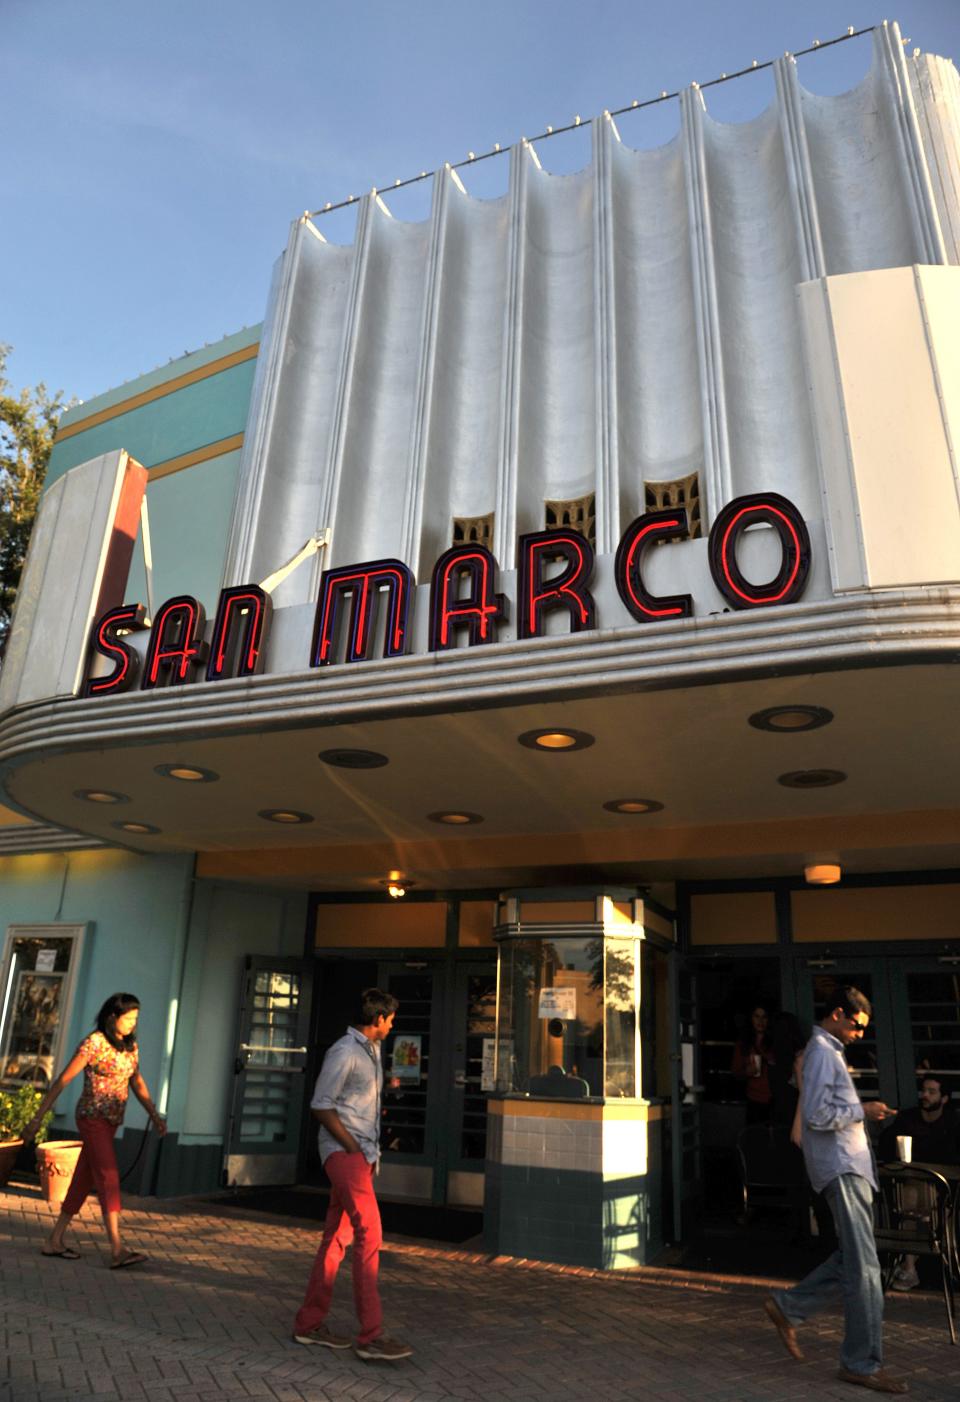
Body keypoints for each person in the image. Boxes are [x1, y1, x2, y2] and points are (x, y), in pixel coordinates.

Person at [763, 987, 908, 1395]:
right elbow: (818, 1115)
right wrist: (864, 1110)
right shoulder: (824, 1052)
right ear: (840, 1014)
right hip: (843, 1169)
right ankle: (861, 1362)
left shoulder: (826, 1051)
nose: (860, 1035)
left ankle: (789, 1308)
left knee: (854, 1261)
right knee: (865, 1270)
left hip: (847, 1168)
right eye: (857, 1026)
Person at [292, 988, 412, 1363]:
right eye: (390, 1020)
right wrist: (352, 1147)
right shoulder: (344, 1051)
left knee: (338, 1237)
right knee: (370, 1233)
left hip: (362, 1154)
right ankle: (371, 1336)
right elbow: (321, 1105)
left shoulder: (371, 1051)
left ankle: (309, 1325)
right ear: (378, 1019)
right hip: (346, 1154)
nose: (392, 1026)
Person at [21, 991, 166, 1268]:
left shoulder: (130, 1047)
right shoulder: (94, 1043)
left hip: (110, 1122)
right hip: (91, 1118)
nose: (133, 1023)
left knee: (83, 1180)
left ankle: (54, 1240)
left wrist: (154, 1114)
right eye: (129, 1018)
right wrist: (38, 1118)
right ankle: (117, 1249)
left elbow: (137, 1082)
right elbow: (63, 1079)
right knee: (108, 1176)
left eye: (136, 1019)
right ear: (113, 1017)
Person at [879, 1075, 959, 1292]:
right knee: (911, 1194)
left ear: (943, 1099)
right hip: (912, 1183)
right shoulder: (909, 1119)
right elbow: (887, 1145)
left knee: (926, 1198)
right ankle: (910, 1268)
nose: (925, 1095)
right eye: (924, 1090)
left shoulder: (951, 1123)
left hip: (945, 1187)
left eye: (932, 1092)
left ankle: (938, 1265)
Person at [731, 1005, 773, 1123]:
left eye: (764, 1017)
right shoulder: (743, 1044)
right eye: (757, 1017)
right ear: (751, 1019)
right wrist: (746, 1072)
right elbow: (736, 1072)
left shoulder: (776, 1042)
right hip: (754, 1099)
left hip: (775, 1098)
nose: (760, 1021)